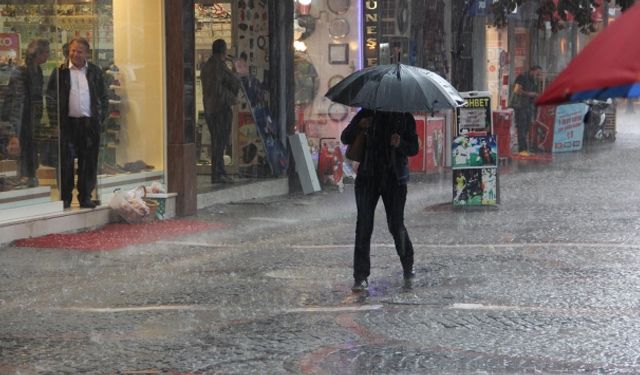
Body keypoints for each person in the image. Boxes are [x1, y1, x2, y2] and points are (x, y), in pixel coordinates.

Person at [340, 109, 419, 292]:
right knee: (364, 225)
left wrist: (401, 144)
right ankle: (360, 276)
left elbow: (414, 147)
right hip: (368, 177)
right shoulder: (367, 113)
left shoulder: (404, 116)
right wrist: (360, 126)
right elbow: (346, 137)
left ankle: (408, 265)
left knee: (396, 225)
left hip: (395, 179)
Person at [49, 37, 109, 209]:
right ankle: (65, 197)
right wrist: (55, 123)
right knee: (65, 163)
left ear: (87, 54)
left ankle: (85, 196)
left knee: (88, 162)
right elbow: (51, 99)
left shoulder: (95, 72)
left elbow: (104, 98)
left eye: (79, 51)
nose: (75, 54)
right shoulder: (60, 72)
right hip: (67, 124)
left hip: (89, 124)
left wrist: (100, 120)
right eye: (73, 50)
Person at [2, 39, 50, 187]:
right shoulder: (21, 71)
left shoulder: (37, 70)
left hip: (31, 120)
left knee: (31, 149)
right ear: (38, 53)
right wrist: (14, 131)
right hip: (22, 120)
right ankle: (21, 178)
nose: (48, 55)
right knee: (20, 150)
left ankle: (29, 176)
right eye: (46, 52)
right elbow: (17, 102)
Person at [201, 39, 241, 184]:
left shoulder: (207, 66)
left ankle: (217, 172)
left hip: (210, 109)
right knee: (220, 142)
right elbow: (234, 83)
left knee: (216, 141)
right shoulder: (220, 66)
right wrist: (236, 71)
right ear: (223, 51)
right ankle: (219, 173)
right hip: (221, 109)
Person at [511, 65, 542, 156]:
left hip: (528, 107)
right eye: (537, 73)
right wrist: (530, 94)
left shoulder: (533, 80)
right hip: (520, 107)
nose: (538, 75)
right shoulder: (522, 77)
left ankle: (525, 148)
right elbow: (516, 91)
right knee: (522, 128)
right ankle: (522, 150)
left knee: (527, 127)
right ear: (533, 70)